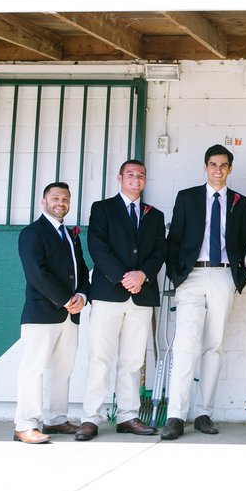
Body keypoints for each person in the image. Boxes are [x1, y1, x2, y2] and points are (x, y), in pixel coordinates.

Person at [161, 145, 246, 440]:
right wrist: (178, 276)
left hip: (224, 276)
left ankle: (204, 412)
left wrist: (239, 278)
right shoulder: (187, 198)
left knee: (214, 346)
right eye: (213, 164)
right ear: (205, 166)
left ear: (230, 169)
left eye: (223, 165)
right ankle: (175, 415)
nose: (218, 170)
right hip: (192, 276)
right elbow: (173, 239)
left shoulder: (241, 202)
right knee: (185, 347)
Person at [75, 160, 166, 441]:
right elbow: (97, 247)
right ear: (120, 178)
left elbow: (159, 251)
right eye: (130, 175)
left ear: (145, 181)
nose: (136, 179)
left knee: (132, 360)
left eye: (141, 176)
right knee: (100, 357)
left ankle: (128, 416)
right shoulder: (102, 209)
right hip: (108, 293)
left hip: (141, 295)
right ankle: (91, 418)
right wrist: (123, 276)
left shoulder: (155, 215)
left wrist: (142, 275)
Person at [13, 182, 89, 444]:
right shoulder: (32, 233)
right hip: (41, 312)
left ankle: (56, 419)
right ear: (43, 202)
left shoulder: (71, 235)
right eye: (55, 197)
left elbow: (81, 269)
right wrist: (66, 299)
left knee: (63, 369)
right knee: (33, 369)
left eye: (65, 199)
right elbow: (36, 273)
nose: (61, 202)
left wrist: (82, 296)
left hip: (70, 313)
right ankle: (25, 424)